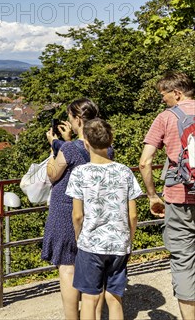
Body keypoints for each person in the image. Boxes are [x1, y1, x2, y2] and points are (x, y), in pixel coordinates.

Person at [42, 98, 112, 320]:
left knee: (68, 266)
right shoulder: (106, 148)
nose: (70, 122)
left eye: (71, 118)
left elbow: (53, 174)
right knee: (95, 266)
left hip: (65, 210)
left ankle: (73, 317)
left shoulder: (70, 149)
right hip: (97, 210)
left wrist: (55, 146)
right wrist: (65, 141)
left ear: (79, 119)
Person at [67, 118, 142, 320]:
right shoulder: (125, 171)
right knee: (115, 297)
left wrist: (78, 237)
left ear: (86, 143)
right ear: (111, 141)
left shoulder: (80, 173)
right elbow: (133, 214)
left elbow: (77, 215)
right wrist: (129, 238)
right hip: (119, 243)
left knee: (90, 298)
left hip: (90, 244)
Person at [139, 71, 195, 320]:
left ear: (177, 93)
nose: (163, 101)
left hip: (179, 197)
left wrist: (152, 195)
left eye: (164, 96)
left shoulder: (166, 118)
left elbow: (144, 162)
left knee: (183, 258)